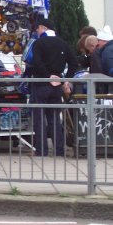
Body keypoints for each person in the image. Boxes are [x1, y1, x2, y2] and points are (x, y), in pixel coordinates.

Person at [30, 19, 78, 157]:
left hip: (41, 83)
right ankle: (59, 150)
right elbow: (73, 63)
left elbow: (37, 63)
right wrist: (64, 80)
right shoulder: (63, 43)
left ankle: (42, 150)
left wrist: (48, 76)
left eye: (38, 28)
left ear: (43, 28)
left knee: (39, 118)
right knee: (55, 118)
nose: (37, 31)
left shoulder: (38, 43)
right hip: (57, 86)